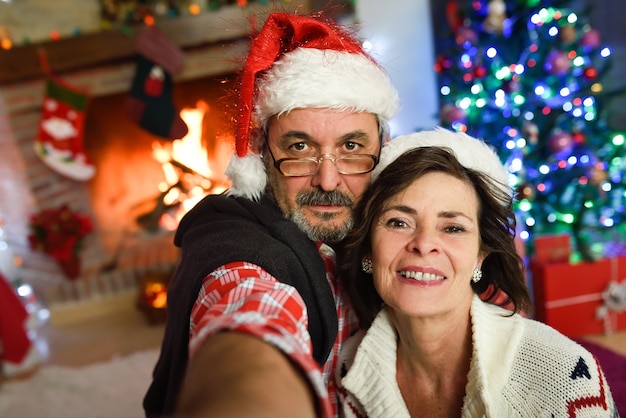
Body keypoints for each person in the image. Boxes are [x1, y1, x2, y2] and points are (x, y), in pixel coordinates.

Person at [142, 12, 399, 418]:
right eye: (299, 147)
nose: (328, 180)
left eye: (351, 146)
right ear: (263, 154)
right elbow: (247, 313)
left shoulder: (398, 223)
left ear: (381, 150)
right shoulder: (238, 249)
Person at [335, 128, 617, 417]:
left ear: (480, 257)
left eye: (453, 228)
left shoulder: (563, 375)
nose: (423, 244)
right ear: (369, 247)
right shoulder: (344, 367)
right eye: (398, 222)